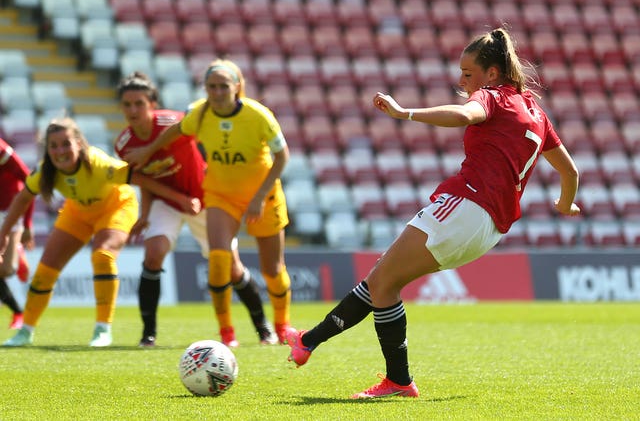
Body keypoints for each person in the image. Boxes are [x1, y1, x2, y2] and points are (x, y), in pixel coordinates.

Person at [284, 27, 581, 399]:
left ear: (492, 74)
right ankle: (309, 341)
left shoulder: (493, 98)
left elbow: (464, 114)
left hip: (466, 205)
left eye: (468, 73)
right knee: (383, 280)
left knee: (383, 282)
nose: (461, 80)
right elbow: (570, 172)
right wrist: (565, 203)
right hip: (490, 229)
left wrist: (404, 112)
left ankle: (398, 382)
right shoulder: (535, 112)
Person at [124, 58, 293, 346]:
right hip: (219, 194)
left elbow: (282, 156)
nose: (216, 92)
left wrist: (259, 197)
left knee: (273, 270)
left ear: (237, 87)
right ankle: (227, 334)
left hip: (262, 196)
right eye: (211, 87)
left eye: (223, 86)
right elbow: (176, 131)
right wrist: (148, 150)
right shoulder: (199, 114)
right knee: (218, 258)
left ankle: (282, 326)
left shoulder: (258, 115)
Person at [1, 117, 200, 347]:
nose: (59, 151)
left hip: (116, 206)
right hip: (78, 211)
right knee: (45, 270)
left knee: (102, 255)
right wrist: (4, 233)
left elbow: (141, 179)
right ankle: (25, 331)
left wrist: (181, 199)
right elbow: (22, 199)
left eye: (66, 144)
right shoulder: (45, 171)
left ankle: (102, 330)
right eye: (53, 146)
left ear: (79, 143)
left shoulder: (99, 164)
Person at [0, 137, 34, 330]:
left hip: (10, 212)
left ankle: (17, 250)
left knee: (6, 271)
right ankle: (18, 311)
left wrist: (27, 224)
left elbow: (29, 182)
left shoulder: (1, 150)